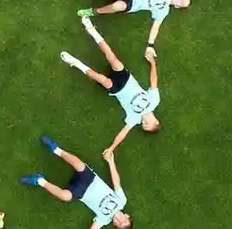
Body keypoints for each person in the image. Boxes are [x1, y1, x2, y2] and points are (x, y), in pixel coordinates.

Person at [60, 14, 162, 152]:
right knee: (112, 58)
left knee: (102, 79)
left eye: (144, 126)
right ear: (156, 121)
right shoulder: (154, 101)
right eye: (147, 125)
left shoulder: (135, 119)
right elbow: (154, 80)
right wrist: (152, 63)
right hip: (126, 78)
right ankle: (92, 30)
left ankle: (76, 63)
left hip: (117, 89)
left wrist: (112, 147)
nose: (144, 124)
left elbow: (123, 133)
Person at [21, 138, 132, 229]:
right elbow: (116, 182)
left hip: (80, 193)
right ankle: (56, 149)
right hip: (91, 179)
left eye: (119, 224)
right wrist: (111, 162)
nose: (120, 220)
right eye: (124, 220)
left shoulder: (104, 220)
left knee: (65, 196)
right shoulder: (122, 201)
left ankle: (39, 180)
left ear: (115, 224)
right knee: (79, 164)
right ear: (126, 215)